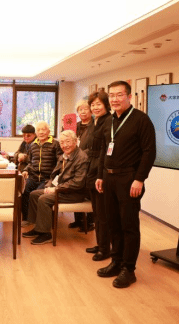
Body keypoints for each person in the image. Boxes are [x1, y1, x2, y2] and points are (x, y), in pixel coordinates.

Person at [96, 81, 156, 288]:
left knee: (128, 225)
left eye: (119, 95)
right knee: (113, 223)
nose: (115, 99)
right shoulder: (108, 121)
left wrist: (140, 179)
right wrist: (100, 175)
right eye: (111, 95)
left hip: (129, 179)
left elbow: (149, 152)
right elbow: (103, 150)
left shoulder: (141, 120)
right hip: (109, 178)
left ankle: (128, 270)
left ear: (129, 97)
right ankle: (116, 261)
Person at [22, 131, 89, 245]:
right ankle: (38, 228)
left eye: (68, 142)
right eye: (62, 142)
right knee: (34, 194)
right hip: (62, 189)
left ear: (75, 142)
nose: (65, 145)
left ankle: (45, 234)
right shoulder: (64, 156)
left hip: (74, 193)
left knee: (44, 199)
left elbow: (78, 182)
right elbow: (55, 175)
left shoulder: (81, 158)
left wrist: (56, 189)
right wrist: (49, 186)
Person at [83, 91, 113, 262]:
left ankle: (105, 249)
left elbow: (106, 151)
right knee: (96, 212)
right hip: (92, 167)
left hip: (100, 170)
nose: (95, 107)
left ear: (106, 105)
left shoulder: (109, 121)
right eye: (93, 104)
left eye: (98, 104)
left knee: (102, 213)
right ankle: (101, 243)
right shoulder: (96, 121)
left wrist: (101, 174)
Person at [21, 121, 63, 227]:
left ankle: (40, 221)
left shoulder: (55, 144)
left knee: (36, 194)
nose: (41, 132)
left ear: (48, 131)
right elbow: (31, 162)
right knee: (24, 190)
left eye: (43, 129)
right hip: (34, 177)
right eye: (38, 130)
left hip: (47, 178)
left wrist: (54, 176)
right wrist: (25, 170)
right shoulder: (33, 145)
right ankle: (27, 218)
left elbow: (60, 162)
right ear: (36, 133)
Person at [69, 99, 95, 231]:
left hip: (89, 162)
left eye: (85, 109)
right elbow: (68, 138)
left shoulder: (95, 125)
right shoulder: (75, 125)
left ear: (91, 110)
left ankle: (90, 222)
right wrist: (65, 125)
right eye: (80, 109)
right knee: (76, 188)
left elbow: (95, 146)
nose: (83, 112)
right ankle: (78, 220)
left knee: (89, 191)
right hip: (75, 162)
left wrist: (82, 154)